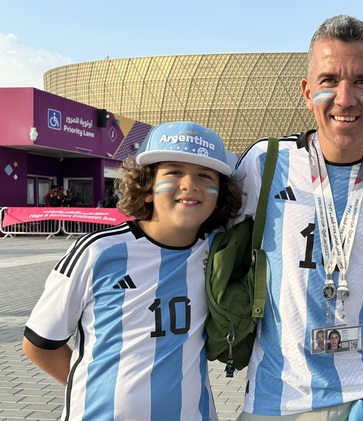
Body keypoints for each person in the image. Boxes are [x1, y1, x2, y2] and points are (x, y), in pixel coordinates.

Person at [233, 15, 363, 420]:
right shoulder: (264, 164)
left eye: (362, 82)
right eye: (329, 81)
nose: (345, 97)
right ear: (307, 91)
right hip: (276, 394)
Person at [22, 121, 242, 419]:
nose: (190, 184)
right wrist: (102, 392)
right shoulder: (98, 252)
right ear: (147, 188)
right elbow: (40, 344)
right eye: (174, 171)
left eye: (205, 175)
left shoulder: (219, 254)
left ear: (219, 198)